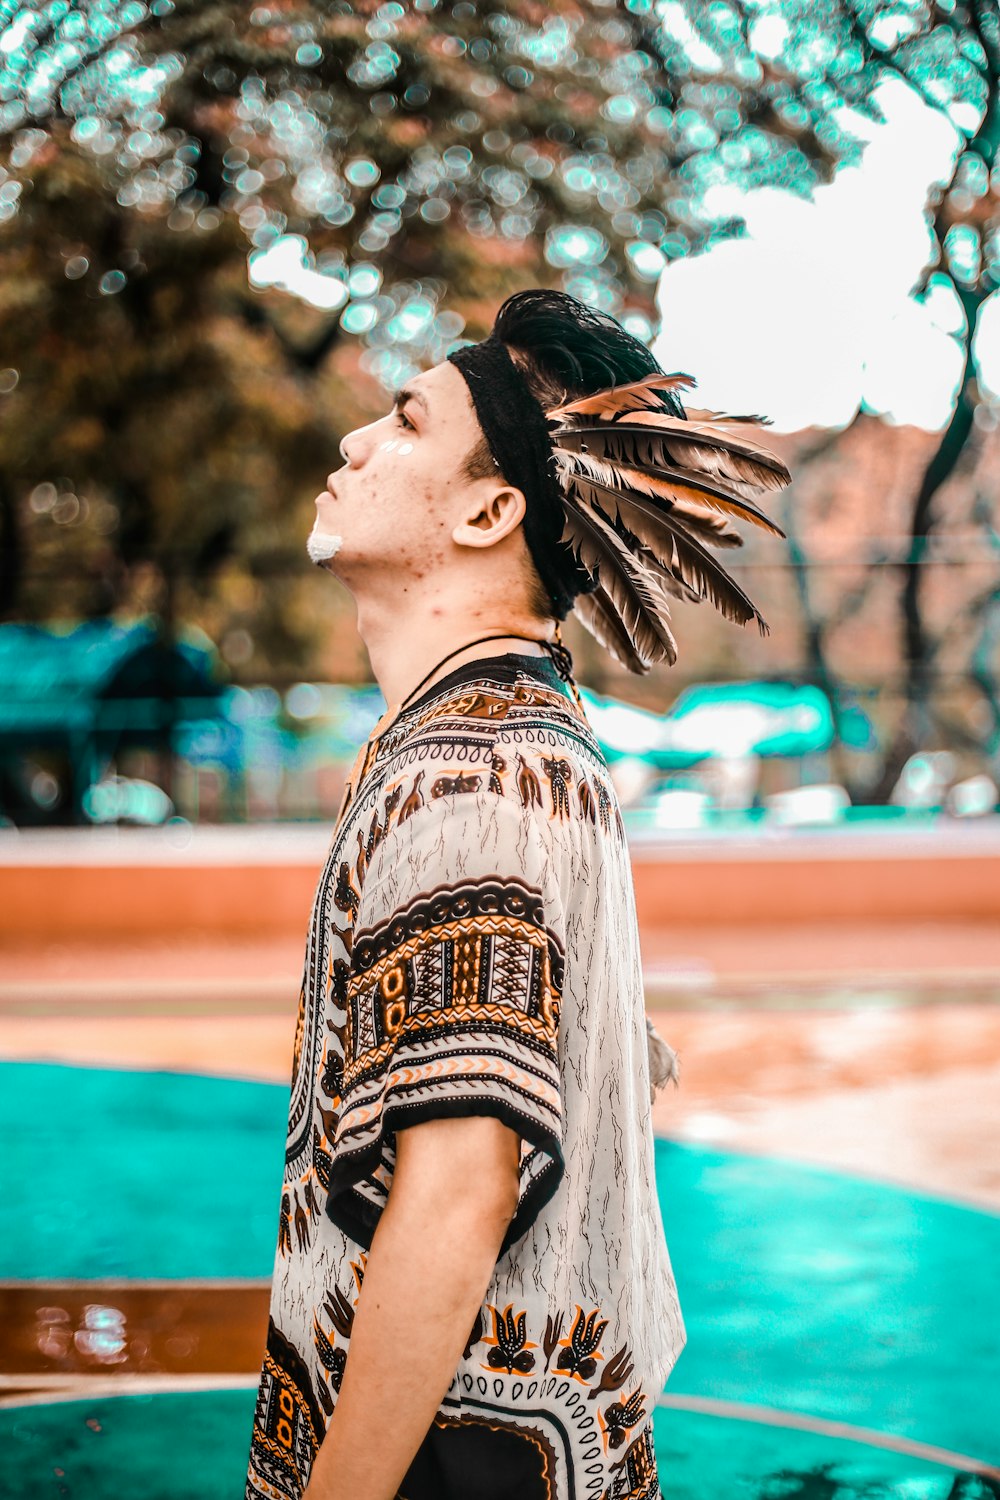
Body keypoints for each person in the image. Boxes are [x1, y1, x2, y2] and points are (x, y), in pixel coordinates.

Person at [245, 289, 790, 1500]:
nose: (353, 443)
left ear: (493, 509)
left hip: (454, 1460)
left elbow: (457, 1188)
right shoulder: (521, 738)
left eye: (402, 422)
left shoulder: (469, 778)